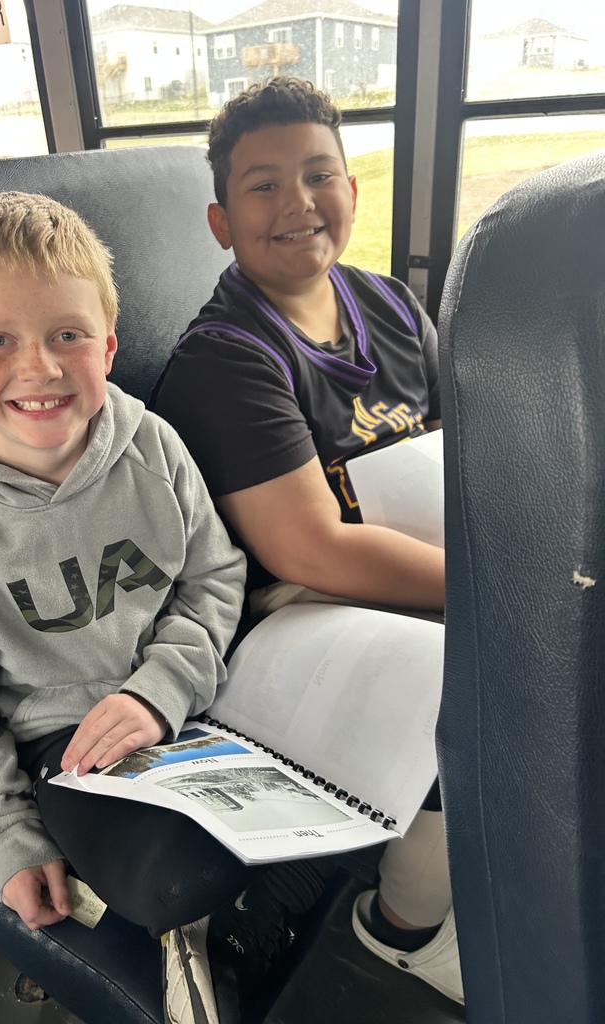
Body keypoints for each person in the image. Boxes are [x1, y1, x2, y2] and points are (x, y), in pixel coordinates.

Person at [0, 191, 330, 1024]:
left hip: (199, 694)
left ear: (109, 343)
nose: (39, 369)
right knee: (174, 884)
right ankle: (218, 933)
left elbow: (214, 578)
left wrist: (160, 689)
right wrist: (3, 835)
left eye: (67, 336)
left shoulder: (152, 445)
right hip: (71, 745)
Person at [150, 78, 462, 1007]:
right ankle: (401, 930)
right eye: (263, 186)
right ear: (220, 219)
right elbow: (308, 551)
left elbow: (460, 454)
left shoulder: (393, 307)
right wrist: (486, 593)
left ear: (353, 193)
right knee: (471, 676)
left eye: (318, 174)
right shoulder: (227, 358)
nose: (297, 203)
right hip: (281, 613)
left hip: (399, 571)